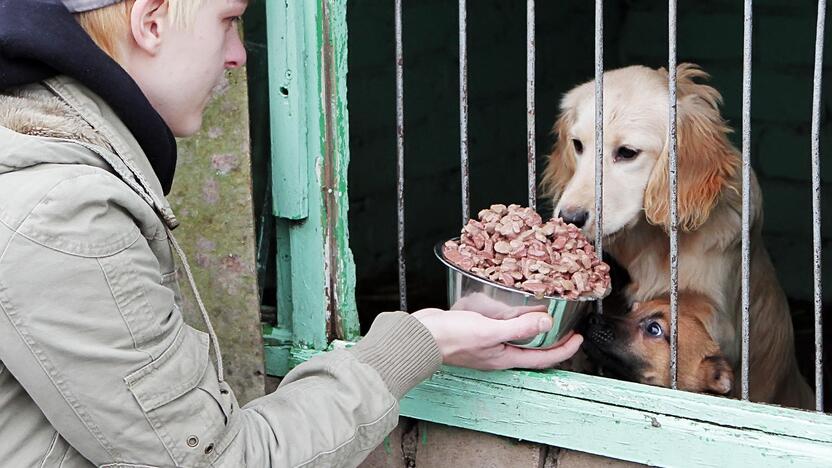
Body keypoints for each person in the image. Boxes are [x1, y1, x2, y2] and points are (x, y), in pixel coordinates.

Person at [0, 1, 583, 466]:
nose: (238, 55)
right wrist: (416, 346)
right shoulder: (62, 212)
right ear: (151, 22)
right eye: (228, 21)